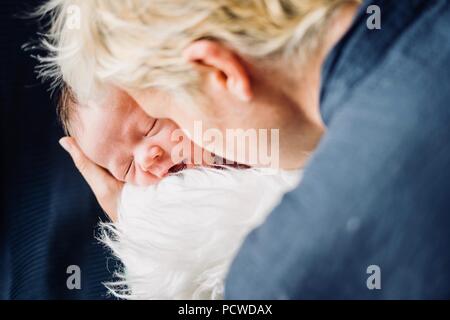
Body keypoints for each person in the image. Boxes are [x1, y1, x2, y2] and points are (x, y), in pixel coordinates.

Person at [39, 0, 450, 298]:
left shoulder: (278, 268)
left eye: (157, 116)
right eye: (126, 168)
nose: (153, 158)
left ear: (220, 72)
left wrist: (145, 240)